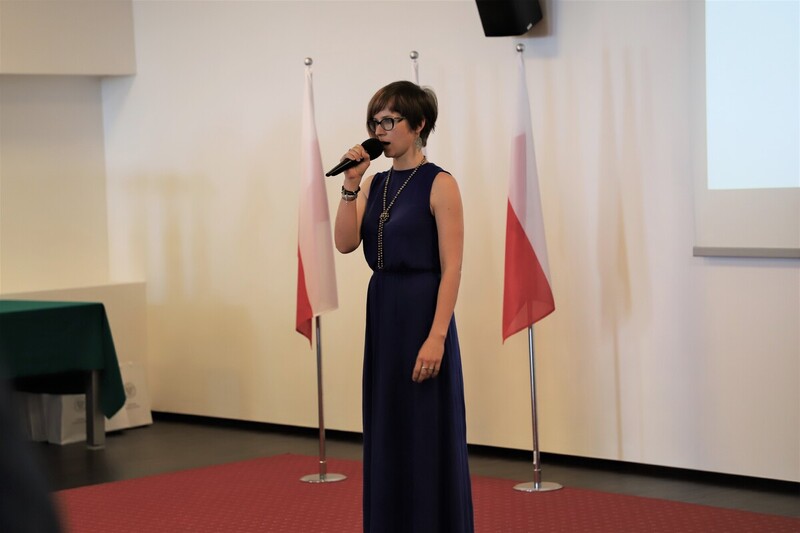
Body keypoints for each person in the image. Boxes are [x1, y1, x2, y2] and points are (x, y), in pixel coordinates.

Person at [334, 81, 474, 533]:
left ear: (419, 126)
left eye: (390, 120)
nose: (381, 129)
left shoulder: (441, 184)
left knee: (425, 429)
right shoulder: (373, 181)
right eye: (376, 121)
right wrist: (351, 186)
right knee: (388, 428)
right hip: (384, 313)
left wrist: (436, 337)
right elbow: (344, 243)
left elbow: (452, 269)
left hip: (422, 314)